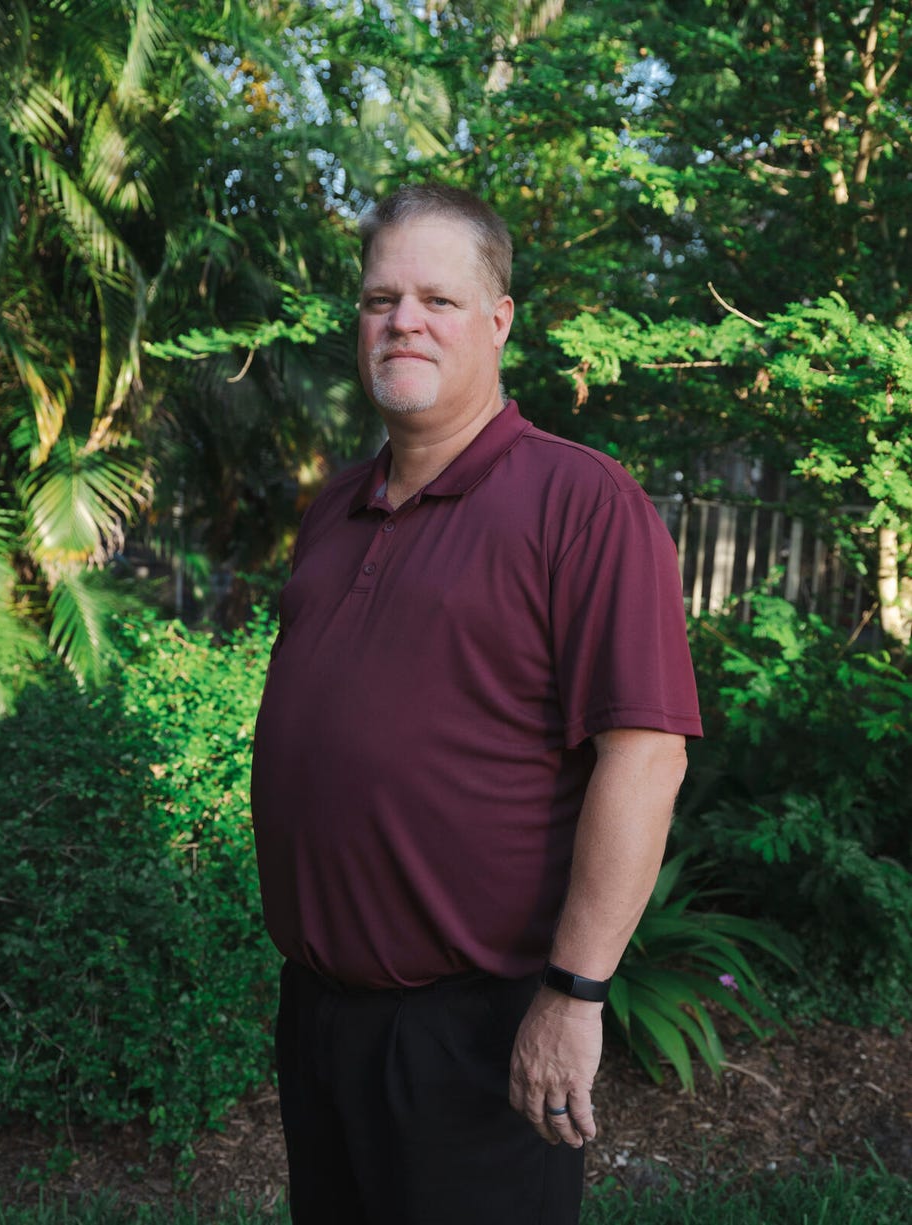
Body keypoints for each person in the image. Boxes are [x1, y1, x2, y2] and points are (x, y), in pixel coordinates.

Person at [250, 184, 702, 1224]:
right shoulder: (334, 506)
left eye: (436, 300)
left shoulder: (578, 501)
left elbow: (645, 755)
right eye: (379, 299)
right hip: (320, 1016)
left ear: (498, 321)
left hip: (477, 1030)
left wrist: (575, 993)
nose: (402, 320)